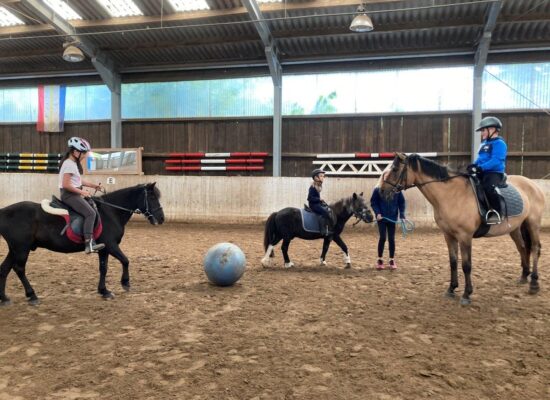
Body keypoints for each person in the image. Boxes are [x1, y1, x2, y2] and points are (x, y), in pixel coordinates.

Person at [58, 137, 105, 254]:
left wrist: (93, 186)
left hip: (73, 193)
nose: (84, 156)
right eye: (83, 153)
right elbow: (66, 185)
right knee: (90, 213)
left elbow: (78, 181)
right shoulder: (69, 164)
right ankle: (89, 243)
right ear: (75, 152)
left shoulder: (72, 163)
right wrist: (82, 192)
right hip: (69, 195)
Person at [467, 116, 507, 224]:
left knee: (488, 188)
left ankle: (496, 212)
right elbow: (480, 158)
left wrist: (481, 167)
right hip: (482, 171)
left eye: (483, 130)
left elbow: (496, 160)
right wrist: (473, 165)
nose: (482, 133)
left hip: (494, 173)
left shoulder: (500, 144)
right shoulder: (484, 144)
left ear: (492, 129)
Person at [370, 183, 406, 270]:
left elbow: (402, 202)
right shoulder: (377, 189)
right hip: (381, 218)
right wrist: (377, 213)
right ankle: (380, 259)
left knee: (391, 239)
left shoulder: (397, 190)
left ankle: (391, 260)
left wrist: (402, 215)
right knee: (382, 238)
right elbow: (374, 202)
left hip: (392, 218)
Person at [307, 169, 332, 237]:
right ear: (316, 177)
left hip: (317, 203)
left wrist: (321, 201)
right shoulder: (312, 187)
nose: (323, 177)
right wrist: (319, 199)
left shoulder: (318, 186)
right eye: (321, 176)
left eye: (323, 176)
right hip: (313, 205)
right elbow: (309, 198)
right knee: (325, 213)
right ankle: (322, 231)